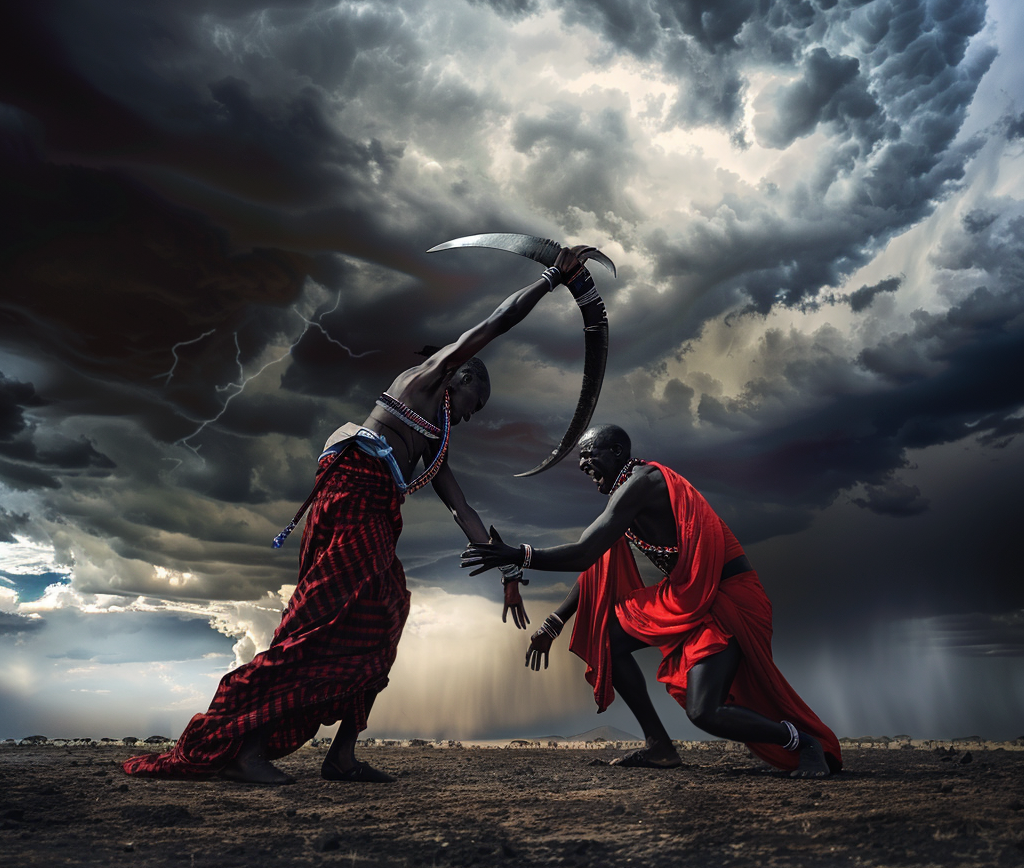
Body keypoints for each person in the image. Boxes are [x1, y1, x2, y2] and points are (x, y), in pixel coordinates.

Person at [123, 245, 590, 785]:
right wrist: (553, 278)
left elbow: (463, 509)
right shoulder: (423, 382)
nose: (470, 416)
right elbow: (492, 325)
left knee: (384, 619)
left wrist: (510, 573)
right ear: (459, 379)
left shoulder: (434, 441)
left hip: (374, 518)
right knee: (312, 627)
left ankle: (341, 755)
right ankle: (247, 747)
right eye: (474, 404)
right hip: (348, 504)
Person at [462, 424, 842, 778]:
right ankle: (659, 746)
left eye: (589, 454)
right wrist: (553, 624)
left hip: (726, 599)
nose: (581, 464)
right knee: (607, 637)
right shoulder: (624, 497)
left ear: (616, 452)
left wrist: (518, 555)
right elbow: (594, 569)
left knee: (704, 712)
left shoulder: (643, 483)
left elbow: (583, 553)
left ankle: (801, 741)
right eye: (579, 457)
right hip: (689, 594)